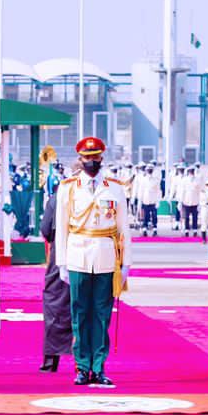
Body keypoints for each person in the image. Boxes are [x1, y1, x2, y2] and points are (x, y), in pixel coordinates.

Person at [54, 137, 131, 387]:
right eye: (87, 158)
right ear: (80, 159)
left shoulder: (115, 188)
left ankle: (99, 367)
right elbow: (62, 228)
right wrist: (62, 263)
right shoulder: (68, 187)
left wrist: (126, 263)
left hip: (107, 257)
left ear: (101, 158)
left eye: (95, 157)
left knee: (102, 315)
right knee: (79, 314)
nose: (91, 162)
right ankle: (81, 367)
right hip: (77, 257)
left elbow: (123, 228)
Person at [38, 187, 72, 373]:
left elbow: (45, 229)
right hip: (92, 256)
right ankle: (88, 364)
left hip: (62, 252)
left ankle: (51, 361)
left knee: (56, 304)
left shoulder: (58, 197)